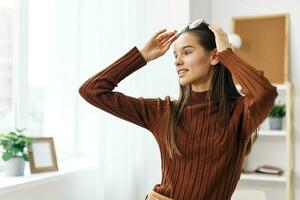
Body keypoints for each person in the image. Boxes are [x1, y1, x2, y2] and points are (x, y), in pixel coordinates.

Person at [78, 19, 278, 200]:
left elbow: (265, 93)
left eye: (187, 52)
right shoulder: (163, 111)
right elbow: (93, 90)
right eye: (175, 55)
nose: (177, 61)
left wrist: (228, 55)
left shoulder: (239, 113)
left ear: (214, 56)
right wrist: (141, 56)